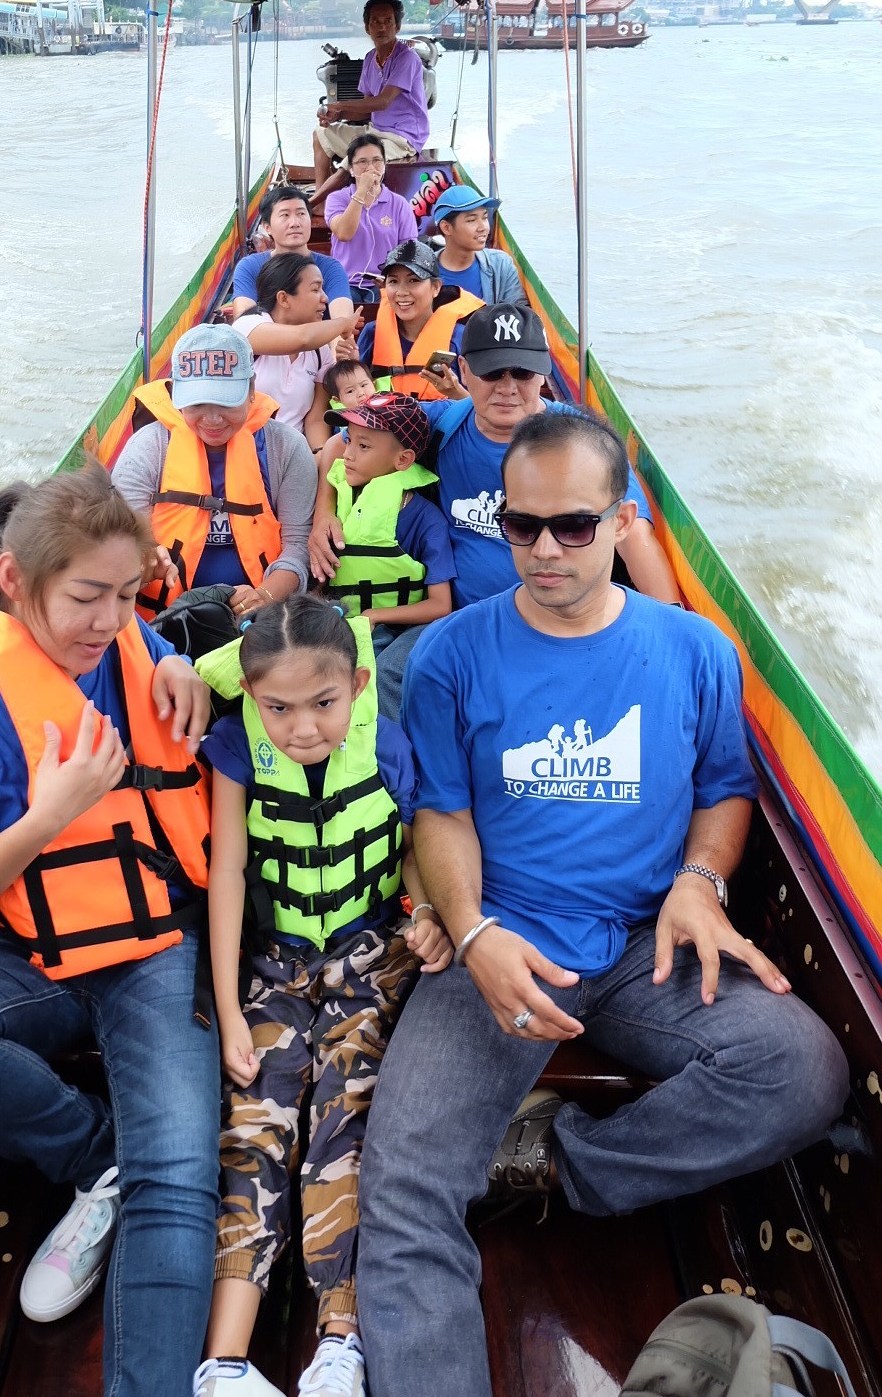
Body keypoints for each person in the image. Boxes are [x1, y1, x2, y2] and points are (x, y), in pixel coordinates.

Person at [357, 409, 850, 1397]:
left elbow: (722, 791)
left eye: (573, 525)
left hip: (638, 945)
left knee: (801, 1067)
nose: (543, 549)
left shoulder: (692, 653)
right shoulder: (454, 655)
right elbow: (439, 817)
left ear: (622, 519)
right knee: (402, 1196)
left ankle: (551, 1162)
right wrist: (475, 930)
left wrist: (700, 882)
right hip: (503, 947)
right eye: (520, 524)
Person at [0, 468, 219, 1396]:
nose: (107, 620)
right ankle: (97, 1160)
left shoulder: (132, 636)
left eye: (127, 595)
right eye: (86, 598)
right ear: (15, 583)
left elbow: (146, 642)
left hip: (154, 944)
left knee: (178, 1178)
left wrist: (173, 653)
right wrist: (41, 820)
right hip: (29, 947)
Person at [191, 599, 452, 1397]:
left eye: (323, 704)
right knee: (255, 1123)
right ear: (250, 694)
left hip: (371, 960)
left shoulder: (392, 745)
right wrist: (232, 1010)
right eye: (278, 707)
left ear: (359, 686)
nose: (301, 728)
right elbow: (229, 872)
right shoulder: (237, 749)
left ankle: (339, 1343)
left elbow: (408, 856)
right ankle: (224, 1363)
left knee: (348, 1118)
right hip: (273, 964)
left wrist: (431, 912)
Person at [412, 301, 680, 605]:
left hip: (564, 621)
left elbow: (634, 538)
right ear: (464, 370)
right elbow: (353, 441)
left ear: (543, 374)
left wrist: (674, 624)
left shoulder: (586, 444)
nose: (507, 388)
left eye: (522, 373)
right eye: (492, 372)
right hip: (462, 621)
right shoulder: (439, 425)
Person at [112, 325, 318, 621]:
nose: (212, 418)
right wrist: (143, 565)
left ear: (250, 390)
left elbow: (297, 544)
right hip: (163, 615)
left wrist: (265, 596)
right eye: (197, 403)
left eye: (225, 402)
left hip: (258, 618)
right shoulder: (147, 448)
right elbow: (120, 541)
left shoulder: (285, 448)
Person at [308, 392, 456, 720]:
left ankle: (381, 752)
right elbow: (321, 584)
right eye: (349, 442)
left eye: (363, 446)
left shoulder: (424, 519)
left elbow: (441, 606)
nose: (347, 455)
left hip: (397, 628)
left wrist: (375, 615)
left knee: (380, 670)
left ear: (403, 461)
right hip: (345, 620)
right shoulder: (335, 509)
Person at [312, 0, 431, 207]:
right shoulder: (369, 59)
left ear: (398, 26)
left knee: (356, 156)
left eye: (388, 21)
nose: (382, 27)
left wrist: (338, 105)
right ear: (367, 28)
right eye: (375, 22)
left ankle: (309, 205)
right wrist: (335, 115)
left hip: (403, 139)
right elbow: (367, 109)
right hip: (375, 131)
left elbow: (382, 102)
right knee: (321, 134)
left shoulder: (407, 58)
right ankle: (322, 199)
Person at [233, 254, 361, 446]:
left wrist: (318, 457)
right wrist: (343, 323)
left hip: (294, 453)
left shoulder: (319, 351)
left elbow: (315, 419)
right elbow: (302, 338)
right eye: (316, 289)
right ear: (284, 298)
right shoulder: (247, 326)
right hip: (246, 448)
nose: (325, 298)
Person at [357, 239, 482, 401]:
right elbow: (351, 399)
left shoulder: (462, 337)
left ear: (436, 287)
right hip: (385, 424)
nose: (402, 292)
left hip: (442, 424)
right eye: (393, 281)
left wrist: (456, 393)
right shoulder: (372, 333)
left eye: (414, 280)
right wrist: (350, 362)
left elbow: (481, 410)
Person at [231, 184, 354, 318]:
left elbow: (343, 325)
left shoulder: (331, 268)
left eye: (301, 214)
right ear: (267, 227)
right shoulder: (250, 267)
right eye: (285, 215)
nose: (295, 223)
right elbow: (244, 323)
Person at [323, 134, 418, 302]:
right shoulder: (337, 199)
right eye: (362, 162)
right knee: (342, 312)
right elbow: (344, 233)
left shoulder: (399, 203)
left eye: (377, 160)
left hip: (384, 282)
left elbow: (409, 250)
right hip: (344, 281)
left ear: (384, 165)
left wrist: (392, 278)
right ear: (351, 169)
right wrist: (361, 191)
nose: (370, 167)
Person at [426, 183, 527, 304]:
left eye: (484, 218)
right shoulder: (424, 272)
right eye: (471, 220)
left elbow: (519, 313)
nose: (483, 227)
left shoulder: (500, 265)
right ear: (446, 228)